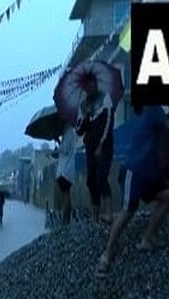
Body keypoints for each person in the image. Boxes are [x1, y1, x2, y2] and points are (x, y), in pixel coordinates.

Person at [95, 105, 169, 278]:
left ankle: (148, 238)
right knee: (127, 211)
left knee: (167, 197)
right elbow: (168, 125)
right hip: (134, 171)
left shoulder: (153, 112)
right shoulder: (153, 110)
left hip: (149, 172)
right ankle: (106, 255)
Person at [75, 73, 115, 225]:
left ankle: (109, 213)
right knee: (91, 180)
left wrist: (101, 145)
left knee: (102, 177)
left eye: (92, 84)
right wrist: (85, 118)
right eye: (87, 85)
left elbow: (109, 123)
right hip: (89, 147)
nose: (90, 87)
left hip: (104, 145)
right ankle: (95, 217)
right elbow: (78, 130)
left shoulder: (105, 98)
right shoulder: (83, 106)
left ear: (96, 83)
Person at [56, 126, 77, 225]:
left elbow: (65, 149)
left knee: (66, 195)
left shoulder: (69, 132)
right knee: (65, 195)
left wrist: (58, 147)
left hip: (65, 170)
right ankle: (65, 219)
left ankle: (65, 219)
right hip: (64, 170)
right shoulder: (67, 132)